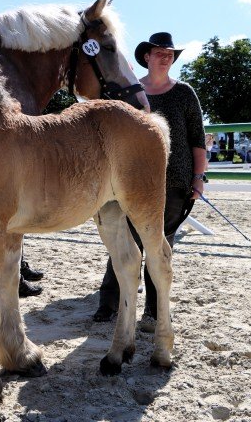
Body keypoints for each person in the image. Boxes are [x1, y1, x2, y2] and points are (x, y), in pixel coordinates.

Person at [92, 32, 207, 332]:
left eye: (170, 52)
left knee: (160, 244)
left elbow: (197, 140)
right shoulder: (129, 92)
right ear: (147, 57)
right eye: (159, 52)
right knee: (122, 241)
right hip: (127, 179)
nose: (165, 56)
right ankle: (109, 304)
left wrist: (199, 177)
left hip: (174, 180)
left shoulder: (184, 93)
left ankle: (154, 312)